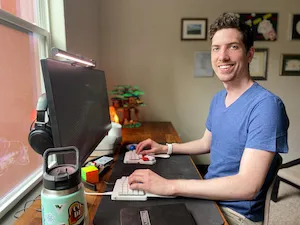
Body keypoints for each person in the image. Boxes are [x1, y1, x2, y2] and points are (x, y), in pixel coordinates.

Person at [128, 12, 289, 225]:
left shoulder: (266, 106)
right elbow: (207, 143)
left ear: (249, 54)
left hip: (235, 213)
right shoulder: (219, 98)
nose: (222, 56)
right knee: (137, 210)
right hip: (210, 196)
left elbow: (247, 186)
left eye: (233, 46)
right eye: (216, 48)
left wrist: (170, 186)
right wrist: (164, 148)